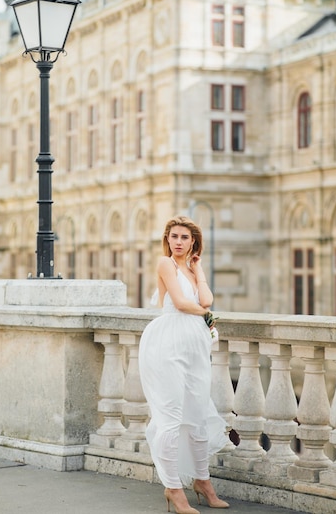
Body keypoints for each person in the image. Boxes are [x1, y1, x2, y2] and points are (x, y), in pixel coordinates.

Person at [138, 216, 229, 513]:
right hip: (168, 344)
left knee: (198, 415)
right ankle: (173, 489)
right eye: (174, 236)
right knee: (172, 416)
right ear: (168, 240)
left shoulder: (191, 269)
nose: (178, 242)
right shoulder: (166, 264)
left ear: (193, 243)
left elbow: (206, 298)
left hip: (194, 346)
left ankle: (203, 482)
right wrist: (206, 314)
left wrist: (199, 269)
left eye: (184, 238)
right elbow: (181, 303)